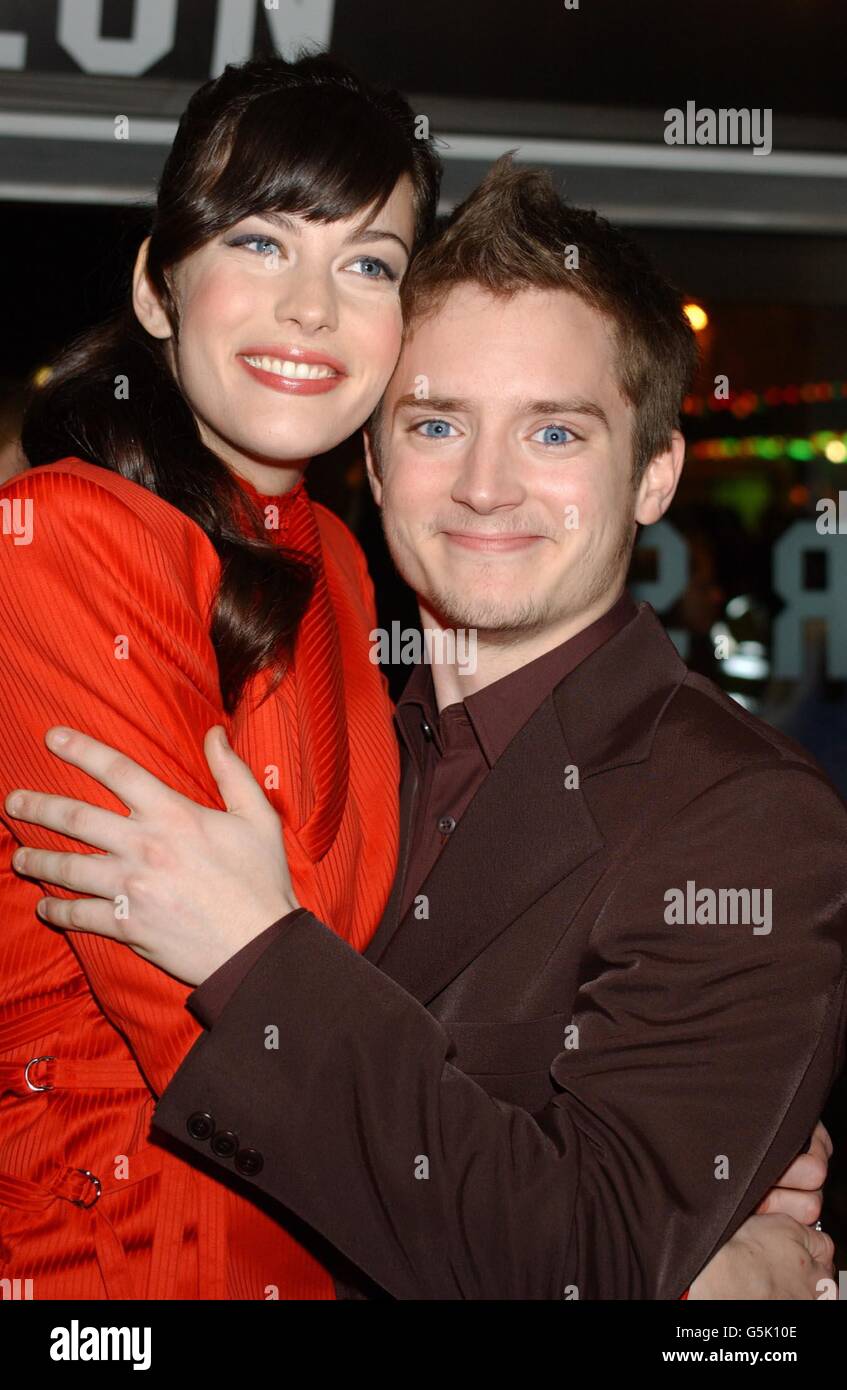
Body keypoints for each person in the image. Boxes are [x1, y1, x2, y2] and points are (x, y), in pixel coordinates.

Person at [6, 159, 844, 1300]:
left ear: (653, 474)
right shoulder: (305, 712)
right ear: (372, 458)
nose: (485, 487)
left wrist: (254, 958)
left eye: (555, 435)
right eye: (438, 422)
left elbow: (586, 1260)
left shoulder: (746, 817)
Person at [0, 52, 439, 1300]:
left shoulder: (346, 567)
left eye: (368, 264)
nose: (312, 308)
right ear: (156, 286)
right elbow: (186, 997)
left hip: (318, 1245)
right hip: (104, 1257)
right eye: (259, 242)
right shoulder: (56, 538)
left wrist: (671, 1159)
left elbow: (379, 955)